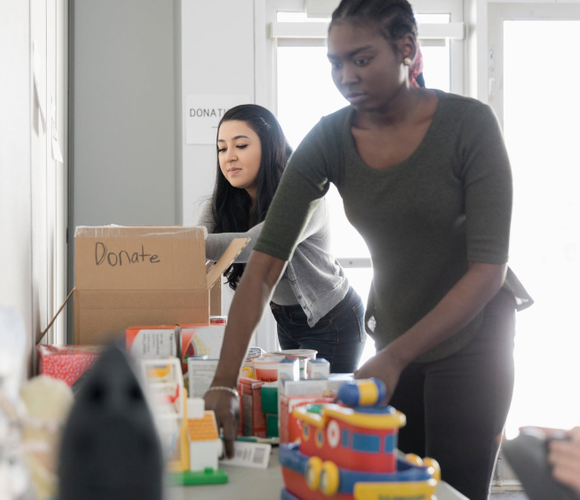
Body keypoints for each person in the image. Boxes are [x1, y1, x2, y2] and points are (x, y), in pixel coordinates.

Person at [203, 0, 532, 499]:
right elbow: (266, 262)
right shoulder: (329, 138)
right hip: (395, 328)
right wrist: (224, 382)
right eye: (335, 62)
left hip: (474, 334)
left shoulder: (470, 126)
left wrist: (395, 357)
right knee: (387, 486)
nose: (345, 76)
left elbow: (488, 269)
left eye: (361, 59)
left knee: (452, 491)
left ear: (407, 50)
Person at [198, 104, 366, 372]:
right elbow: (199, 237)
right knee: (292, 401)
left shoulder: (304, 195)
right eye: (222, 148)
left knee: (319, 403)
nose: (229, 157)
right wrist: (177, 245)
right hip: (286, 320)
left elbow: (255, 245)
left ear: (270, 146)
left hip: (332, 320)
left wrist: (176, 246)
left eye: (240, 146)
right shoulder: (224, 201)